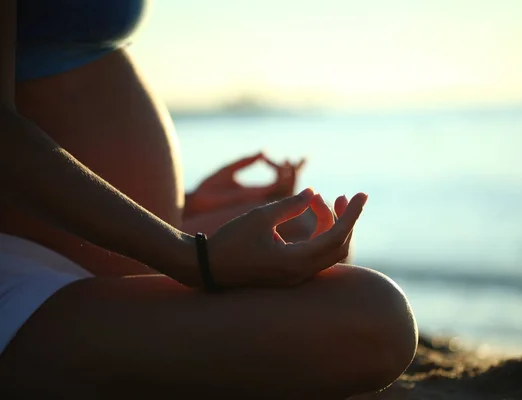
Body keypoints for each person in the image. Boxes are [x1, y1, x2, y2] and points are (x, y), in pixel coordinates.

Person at [0, 1, 418, 398]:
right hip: (15, 270)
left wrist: (182, 203)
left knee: (303, 229)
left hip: (67, 237)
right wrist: (195, 258)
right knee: (375, 319)